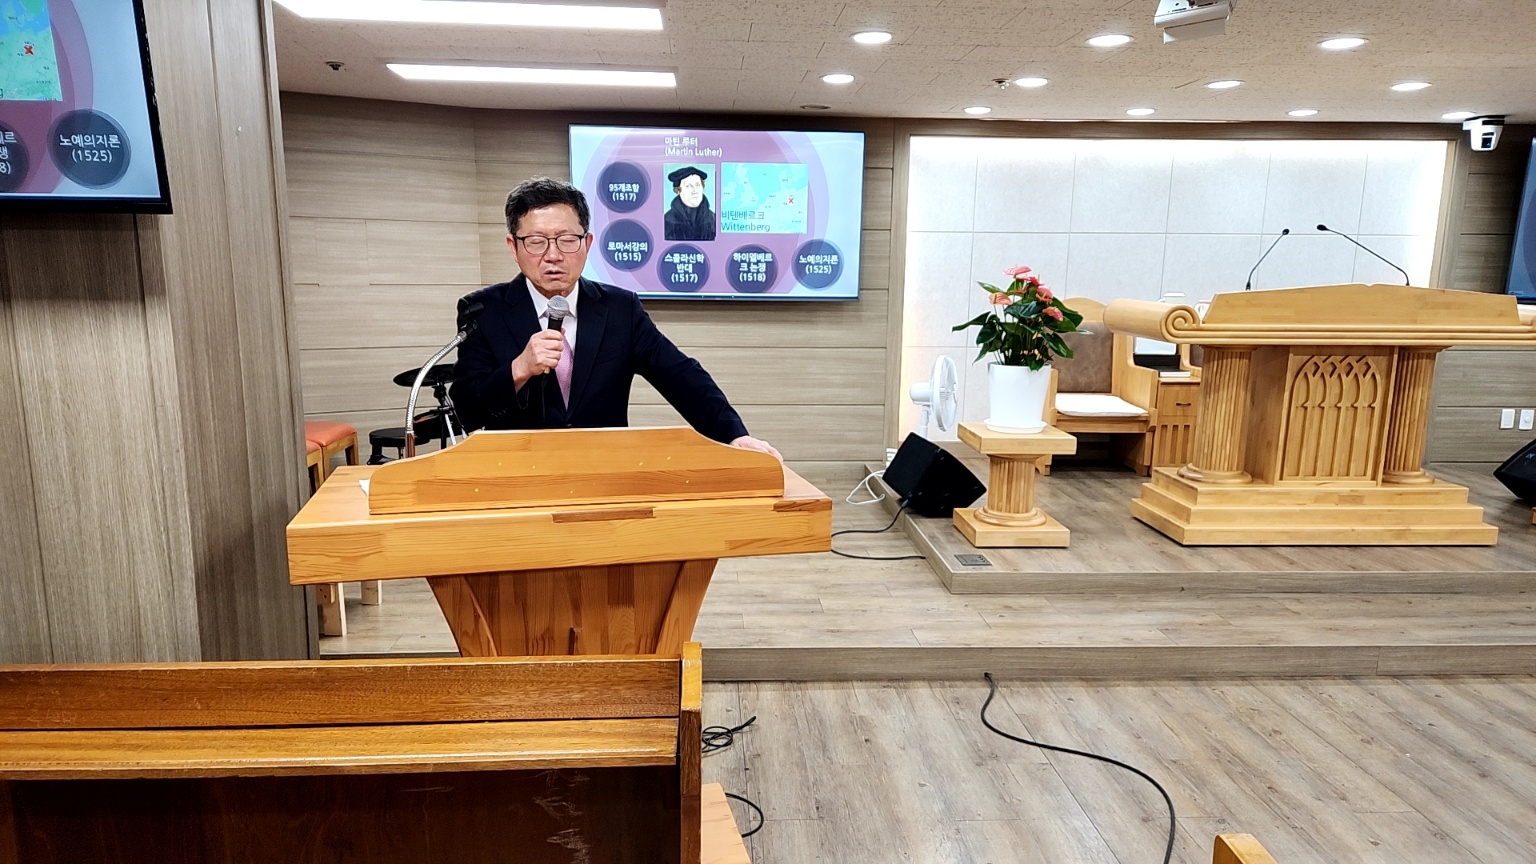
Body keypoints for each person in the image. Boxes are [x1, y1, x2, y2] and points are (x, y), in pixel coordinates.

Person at [451, 177, 780, 460]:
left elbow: (681, 376)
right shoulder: (483, 311)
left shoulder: (620, 309)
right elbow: (466, 410)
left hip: (606, 472)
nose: (553, 255)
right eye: (536, 242)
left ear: (587, 243)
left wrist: (733, 434)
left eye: (567, 240)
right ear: (513, 247)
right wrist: (519, 369)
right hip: (517, 476)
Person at [663, 166, 717, 241]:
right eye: (688, 186)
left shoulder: (713, 219)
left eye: (697, 185)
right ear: (678, 190)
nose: (695, 191)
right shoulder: (667, 221)